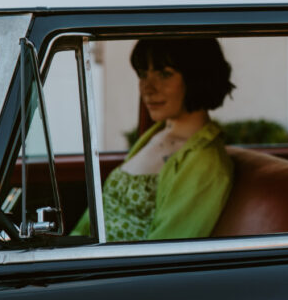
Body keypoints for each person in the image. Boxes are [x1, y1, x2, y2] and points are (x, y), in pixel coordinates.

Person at [72, 37, 235, 241]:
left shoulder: (206, 164)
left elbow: (168, 251)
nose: (147, 88)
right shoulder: (157, 133)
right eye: (142, 74)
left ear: (198, 77)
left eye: (164, 74)